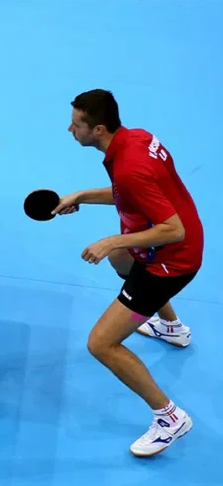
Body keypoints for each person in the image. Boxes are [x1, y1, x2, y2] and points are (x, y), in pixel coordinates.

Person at [54, 88, 203, 457]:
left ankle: (170, 418)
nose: (69, 130)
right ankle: (172, 327)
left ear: (98, 130)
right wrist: (81, 196)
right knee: (122, 260)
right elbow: (130, 192)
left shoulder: (130, 166)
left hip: (171, 262)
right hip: (167, 244)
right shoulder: (135, 139)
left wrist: (110, 241)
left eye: (76, 125)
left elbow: (173, 229)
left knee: (101, 344)